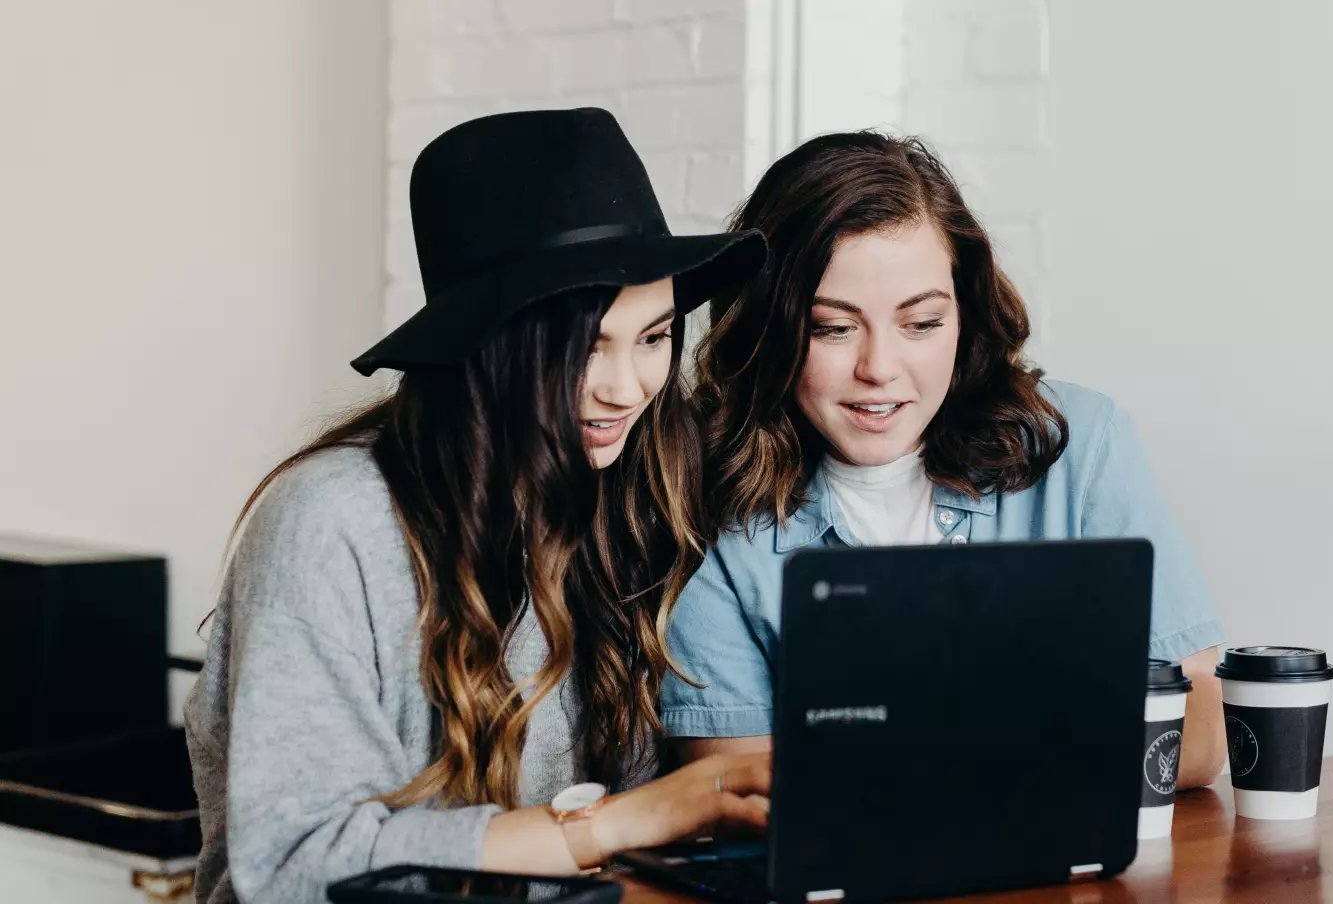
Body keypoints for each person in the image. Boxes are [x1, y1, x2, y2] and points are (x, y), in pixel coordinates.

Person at [184, 109, 774, 903]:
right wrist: (617, 824)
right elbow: (295, 861)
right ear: (489, 344)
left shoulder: (627, 499)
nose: (627, 387)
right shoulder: (332, 521)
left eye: (655, 336)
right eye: (587, 346)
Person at [662, 131, 1228, 787]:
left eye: (921, 323)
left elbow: (1198, 737)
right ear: (769, 330)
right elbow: (734, 792)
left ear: (965, 315)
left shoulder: (1077, 442)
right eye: (832, 328)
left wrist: (897, 755)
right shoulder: (706, 498)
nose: (879, 369)